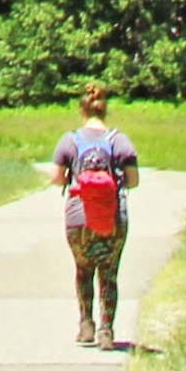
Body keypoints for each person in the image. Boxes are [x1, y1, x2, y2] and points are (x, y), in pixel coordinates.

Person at [51, 83, 140, 350]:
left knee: (83, 269)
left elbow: (57, 179)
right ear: (105, 109)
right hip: (113, 216)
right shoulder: (119, 141)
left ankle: (86, 324)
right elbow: (133, 181)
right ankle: (106, 331)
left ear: (82, 110)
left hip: (79, 218)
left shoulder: (69, 140)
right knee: (109, 273)